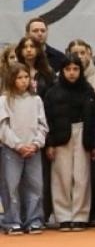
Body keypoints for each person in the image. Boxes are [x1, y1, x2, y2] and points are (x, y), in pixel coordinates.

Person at [42, 55, 95, 230]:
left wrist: (94, 143)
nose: (72, 73)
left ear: (80, 71)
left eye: (75, 69)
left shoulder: (88, 90)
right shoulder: (53, 92)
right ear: (62, 71)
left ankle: (80, 215)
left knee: (81, 177)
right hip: (60, 135)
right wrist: (49, 143)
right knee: (61, 176)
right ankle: (63, 215)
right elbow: (47, 119)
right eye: (68, 69)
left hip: (83, 133)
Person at [1, 64, 48, 234]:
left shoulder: (36, 100)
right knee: (11, 186)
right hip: (12, 151)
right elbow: (3, 127)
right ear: (12, 79)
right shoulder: (4, 100)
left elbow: (43, 125)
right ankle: (12, 221)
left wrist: (36, 143)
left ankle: (34, 220)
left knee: (35, 186)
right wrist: (18, 145)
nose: (23, 81)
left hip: (33, 150)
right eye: (19, 78)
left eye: (26, 77)